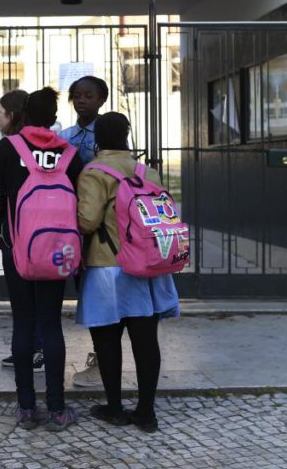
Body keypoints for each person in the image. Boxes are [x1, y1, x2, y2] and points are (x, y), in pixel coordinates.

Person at [76, 112, 180, 433]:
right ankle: (146, 412)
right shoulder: (147, 171)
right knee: (146, 340)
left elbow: (88, 221)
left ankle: (115, 407)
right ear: (127, 135)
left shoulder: (93, 172)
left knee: (107, 341)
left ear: (97, 139)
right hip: (146, 266)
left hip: (108, 267)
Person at [0, 87, 83, 430]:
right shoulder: (70, 153)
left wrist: (4, 229)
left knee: (23, 324)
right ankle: (57, 408)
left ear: (23, 116)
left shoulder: (9, 148)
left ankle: (26, 407)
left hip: (18, 251)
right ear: (54, 119)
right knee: (51, 324)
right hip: (58, 252)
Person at [0, 89, 47, 373]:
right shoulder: (49, 144)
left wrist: (0, 226)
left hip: (16, 233)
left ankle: (33, 349)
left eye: (1, 111)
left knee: (23, 299)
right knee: (39, 296)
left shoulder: (9, 146)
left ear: (13, 115)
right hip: (45, 233)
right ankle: (31, 349)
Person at [59, 75, 109, 388]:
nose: (81, 100)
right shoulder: (64, 135)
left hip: (101, 225)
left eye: (88, 95)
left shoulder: (108, 132)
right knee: (83, 289)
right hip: (68, 221)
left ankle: (104, 354)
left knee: (100, 290)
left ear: (101, 99)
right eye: (77, 95)